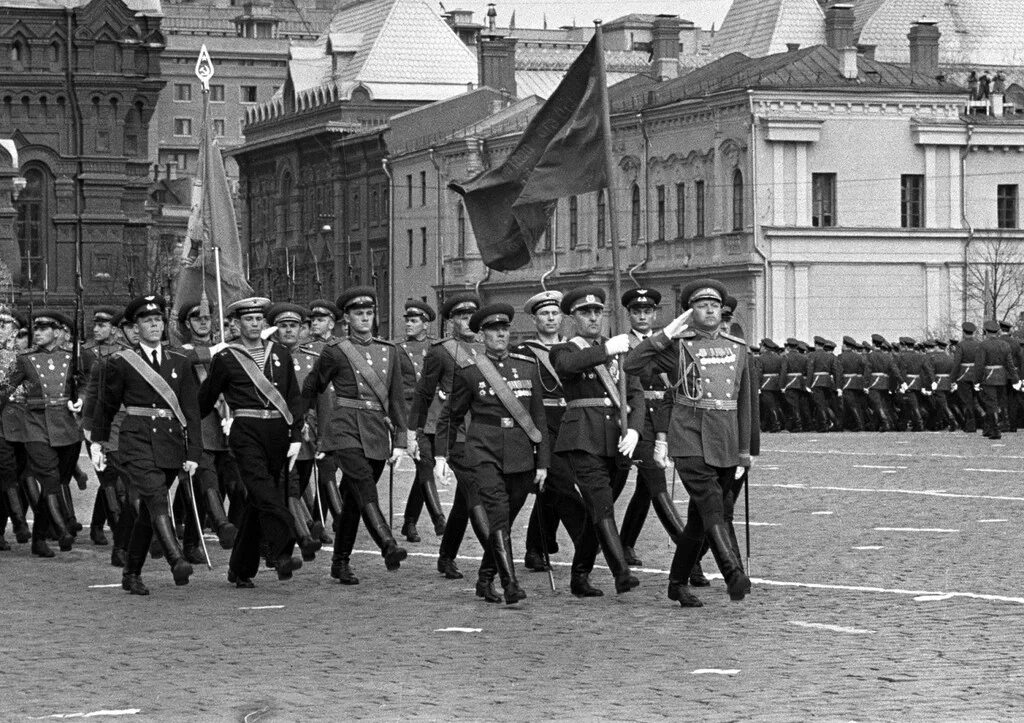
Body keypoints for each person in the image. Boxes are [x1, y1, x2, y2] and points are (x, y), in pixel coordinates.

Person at [623, 279, 752, 607]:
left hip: (724, 438)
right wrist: (666, 333)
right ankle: (731, 571)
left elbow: (746, 402)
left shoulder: (737, 346)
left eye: (713, 305)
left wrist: (747, 451)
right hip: (689, 434)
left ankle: (677, 583)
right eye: (700, 305)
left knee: (699, 519)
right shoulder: (679, 346)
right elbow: (632, 364)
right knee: (711, 502)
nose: (709, 310)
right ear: (689, 313)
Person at [90, 295, 203, 595]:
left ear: (164, 325)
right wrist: (98, 442)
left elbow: (191, 411)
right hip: (136, 439)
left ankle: (131, 573)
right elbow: (107, 404)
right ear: (135, 328)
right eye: (146, 321)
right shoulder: (121, 362)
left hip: (169, 444)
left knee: (146, 515)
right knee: (155, 498)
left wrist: (194, 452)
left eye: (158, 320)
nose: (154, 325)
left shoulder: (180, 361)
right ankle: (175, 558)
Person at [440, 303, 548, 604]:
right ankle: (510, 582)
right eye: (493, 330)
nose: (500, 334)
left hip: (521, 454)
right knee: (498, 514)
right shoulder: (470, 372)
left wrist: (543, 463)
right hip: (483, 451)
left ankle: (484, 579)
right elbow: (451, 416)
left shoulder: (527, 367)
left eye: (504, 329)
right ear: (482, 335)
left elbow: (539, 418)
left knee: (506, 519)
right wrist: (441, 457)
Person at [301, 287, 409, 585]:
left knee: (353, 500)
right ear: (346, 318)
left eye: (369, 313)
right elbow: (311, 387)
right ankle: (388, 544)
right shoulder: (335, 351)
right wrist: (301, 422)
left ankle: (340, 562)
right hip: (344, 428)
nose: (365, 318)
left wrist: (400, 441)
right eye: (358, 313)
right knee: (363, 484)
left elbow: (397, 399)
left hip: (376, 431)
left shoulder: (389, 350)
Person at [199, 297, 304, 588]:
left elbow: (293, 398)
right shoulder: (227, 357)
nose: (255, 325)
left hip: (277, 432)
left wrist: (296, 436)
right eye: (248, 320)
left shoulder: (280, 354)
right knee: (264, 492)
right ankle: (283, 551)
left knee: (258, 504)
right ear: (236, 324)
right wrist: (188, 430)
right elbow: (205, 400)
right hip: (246, 432)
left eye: (259, 319)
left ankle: (240, 569)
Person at [550, 287, 643, 597]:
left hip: (617, 438)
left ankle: (579, 576)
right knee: (602, 504)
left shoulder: (617, 348)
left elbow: (636, 393)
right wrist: (606, 351)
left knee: (597, 509)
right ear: (572, 318)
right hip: (583, 438)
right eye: (584, 312)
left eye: (597, 312)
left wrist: (636, 430)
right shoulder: (565, 349)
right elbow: (568, 367)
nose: (592, 317)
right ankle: (621, 572)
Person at [409, 293, 489, 583]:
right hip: (455, 434)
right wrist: (412, 433)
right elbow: (423, 393)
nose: (468, 322)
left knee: (462, 502)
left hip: (484, 433)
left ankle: (446, 556)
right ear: (452, 321)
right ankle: (496, 554)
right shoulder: (443, 352)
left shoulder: (488, 349)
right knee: (476, 493)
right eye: (461, 316)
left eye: (472, 316)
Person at [515, 289, 591, 582]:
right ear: (535, 319)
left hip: (571, 421)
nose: (550, 318)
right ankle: (586, 537)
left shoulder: (573, 350)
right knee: (562, 485)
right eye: (544, 314)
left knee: (550, 492)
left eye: (555, 313)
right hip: (542, 424)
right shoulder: (525, 352)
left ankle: (536, 547)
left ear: (563, 318)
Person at [0, 310, 83, 558]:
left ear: (57, 332)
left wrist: (83, 401)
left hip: (66, 427)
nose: (37, 332)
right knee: (48, 476)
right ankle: (61, 529)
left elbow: (87, 383)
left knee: (56, 483)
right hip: (35, 425)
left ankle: (39, 539)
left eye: (44, 328)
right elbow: (5, 389)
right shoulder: (26, 359)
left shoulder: (72, 358)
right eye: (36, 328)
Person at [617, 287, 684, 570]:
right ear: (629, 314)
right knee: (654, 485)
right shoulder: (623, 345)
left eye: (647, 311)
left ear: (655, 314)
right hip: (635, 420)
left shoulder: (669, 344)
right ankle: (688, 551)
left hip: (662, 417)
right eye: (636, 312)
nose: (642, 316)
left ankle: (624, 543)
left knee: (645, 488)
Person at [178, 302, 240, 551]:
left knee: (235, 483)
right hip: (200, 423)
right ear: (187, 324)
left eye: (207, 317)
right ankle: (212, 530)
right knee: (205, 481)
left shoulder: (226, 348)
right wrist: (219, 353)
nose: (203, 322)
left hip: (225, 421)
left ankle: (233, 530)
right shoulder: (182, 352)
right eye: (197, 318)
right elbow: (188, 359)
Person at [266, 302, 324, 562]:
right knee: (286, 487)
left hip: (306, 433)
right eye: (282, 325)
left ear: (303, 329)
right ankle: (301, 535)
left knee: (297, 487)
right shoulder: (265, 357)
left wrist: (317, 429)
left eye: (293, 326)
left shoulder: (313, 360)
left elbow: (320, 399)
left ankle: (275, 537)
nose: (288, 330)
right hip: (275, 432)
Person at [393, 299, 445, 543]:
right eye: (407, 320)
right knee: (425, 465)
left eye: (414, 321)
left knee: (423, 471)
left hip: (433, 415)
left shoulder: (437, 347)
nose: (408, 325)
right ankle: (438, 518)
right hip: (409, 416)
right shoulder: (397, 349)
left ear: (426, 324)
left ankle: (409, 522)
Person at [974, 320, 1021, 440]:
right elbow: (1010, 364)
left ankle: (995, 430)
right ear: (998, 331)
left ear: (986, 332)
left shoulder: (983, 345)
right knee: (999, 403)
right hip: (1002, 377)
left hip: (989, 377)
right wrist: (1016, 379)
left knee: (990, 403)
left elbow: (979, 365)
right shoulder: (1005, 345)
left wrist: (977, 381)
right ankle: (993, 428)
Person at [952, 322, 981, 433]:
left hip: (964, 375)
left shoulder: (961, 345)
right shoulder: (979, 344)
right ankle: (982, 422)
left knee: (967, 401)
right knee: (977, 400)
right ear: (973, 333)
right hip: (976, 375)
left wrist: (953, 379)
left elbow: (957, 363)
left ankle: (970, 425)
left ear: (964, 333)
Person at [757, 339, 785, 432]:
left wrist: (758, 386)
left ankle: (776, 424)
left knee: (770, 406)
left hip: (766, 384)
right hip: (776, 384)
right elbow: (782, 372)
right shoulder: (779, 357)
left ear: (764, 347)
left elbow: (759, 373)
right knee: (775, 405)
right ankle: (769, 425)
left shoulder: (761, 358)